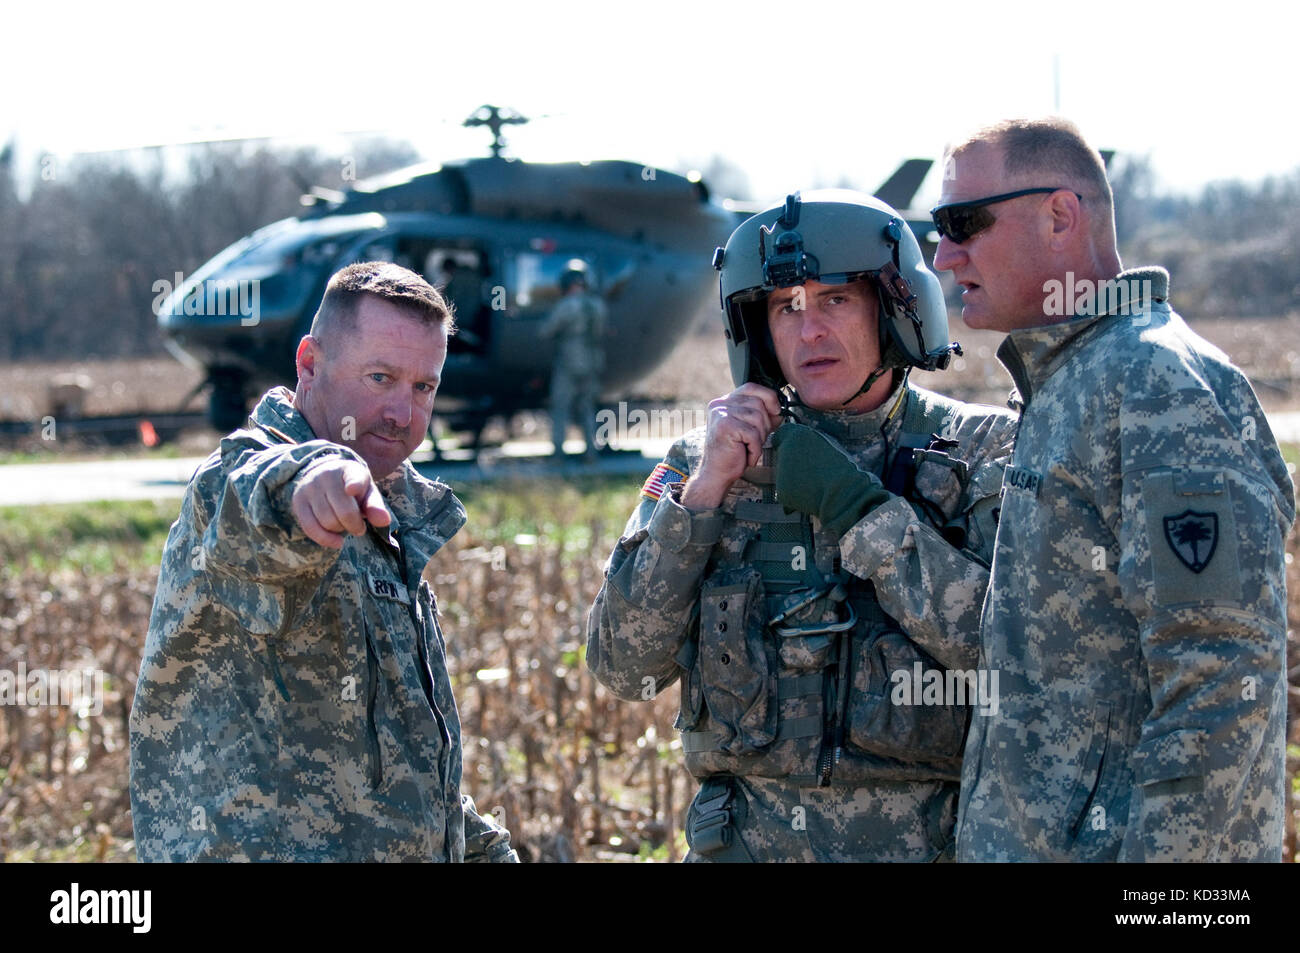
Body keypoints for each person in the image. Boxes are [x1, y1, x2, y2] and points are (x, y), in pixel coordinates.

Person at [586, 190, 1018, 861]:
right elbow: (621, 665)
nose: (808, 328)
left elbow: (1015, 656)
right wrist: (702, 497)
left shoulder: (984, 452)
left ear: (895, 308)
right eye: (786, 307)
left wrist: (858, 509)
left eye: (835, 299)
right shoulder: (706, 466)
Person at [931, 117, 1295, 862]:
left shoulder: (1154, 382)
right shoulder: (1068, 380)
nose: (945, 253)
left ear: (1060, 215)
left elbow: (1221, 687)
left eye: (963, 222)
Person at [129, 261, 517, 862]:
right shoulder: (236, 480)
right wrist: (313, 476)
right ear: (309, 363)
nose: (402, 414)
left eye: (423, 387)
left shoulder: (389, 511)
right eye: (380, 377)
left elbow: (402, 768)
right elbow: (258, 500)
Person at [541, 259, 608, 459]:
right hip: (593, 361)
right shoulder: (598, 305)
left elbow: (546, 331)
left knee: (561, 407)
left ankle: (558, 455)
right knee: (587, 407)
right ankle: (590, 452)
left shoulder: (566, 305)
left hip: (569, 361)